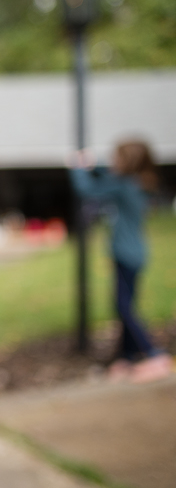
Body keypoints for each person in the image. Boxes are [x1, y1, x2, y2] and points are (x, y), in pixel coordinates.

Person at [71, 140, 172, 384]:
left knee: (123, 306)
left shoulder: (123, 185)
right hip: (133, 252)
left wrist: (77, 167)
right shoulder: (135, 182)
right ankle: (127, 358)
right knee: (125, 305)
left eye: (116, 158)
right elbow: (107, 173)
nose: (112, 162)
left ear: (127, 163)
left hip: (126, 253)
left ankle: (154, 354)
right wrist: (93, 164)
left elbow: (88, 190)